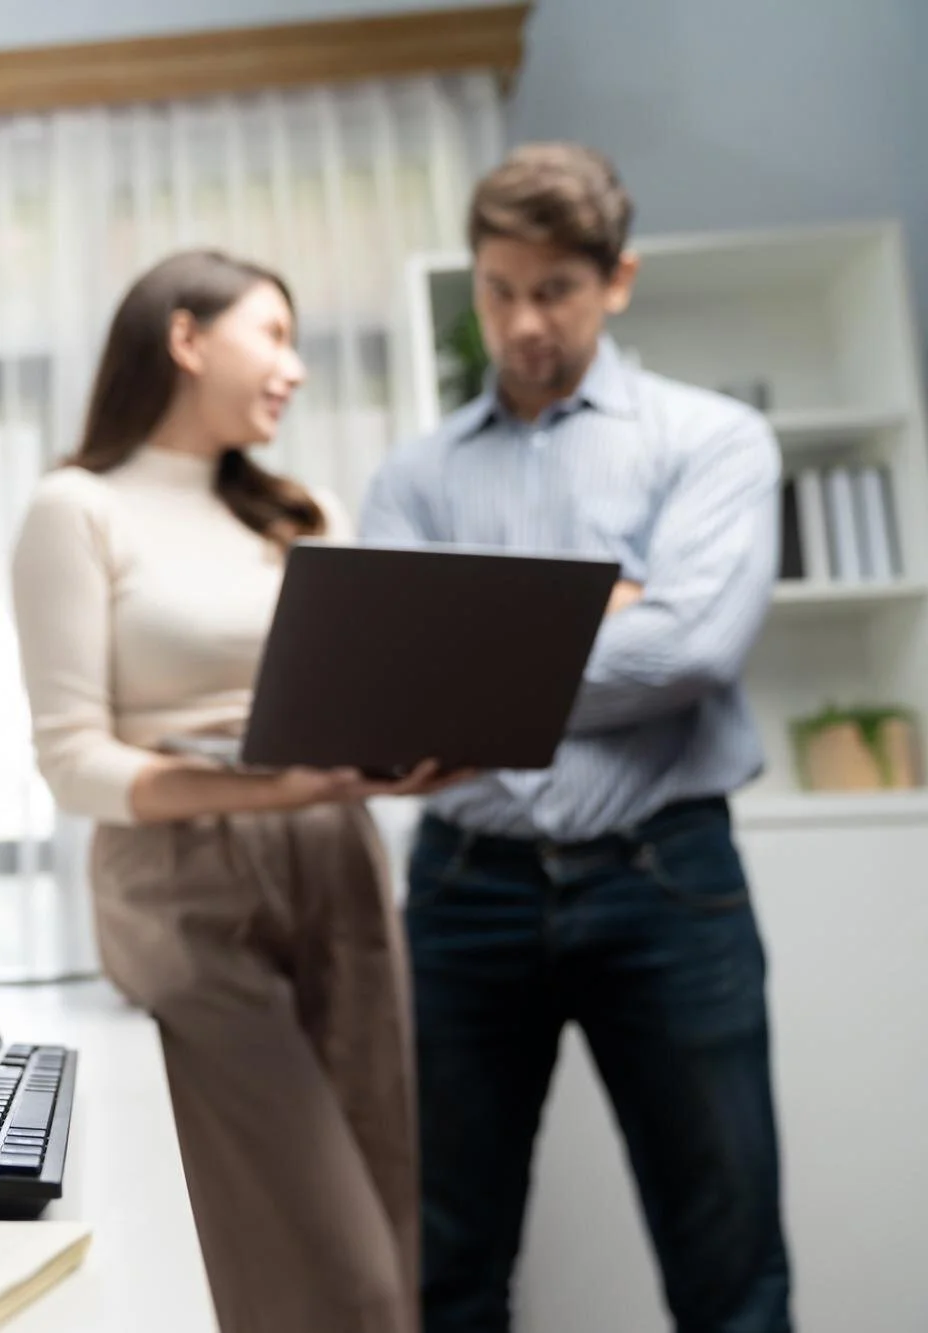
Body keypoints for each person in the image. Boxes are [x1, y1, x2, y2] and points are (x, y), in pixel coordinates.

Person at [360, 143, 792, 1333]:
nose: (519, 323)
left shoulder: (711, 440)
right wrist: (604, 603)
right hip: (463, 890)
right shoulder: (412, 476)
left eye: (551, 290)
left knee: (728, 1260)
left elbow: (688, 648)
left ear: (616, 280)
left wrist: (476, 652)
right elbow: (394, 684)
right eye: (496, 289)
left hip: (666, 882)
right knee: (448, 1260)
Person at [11, 249, 460, 1333]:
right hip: (182, 885)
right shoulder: (75, 509)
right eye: (273, 334)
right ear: (186, 338)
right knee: (330, 1259)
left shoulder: (303, 512)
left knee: (382, 1194)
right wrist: (271, 792)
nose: (293, 368)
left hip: (338, 859)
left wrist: (425, 742)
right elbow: (73, 762)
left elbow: (356, 703)